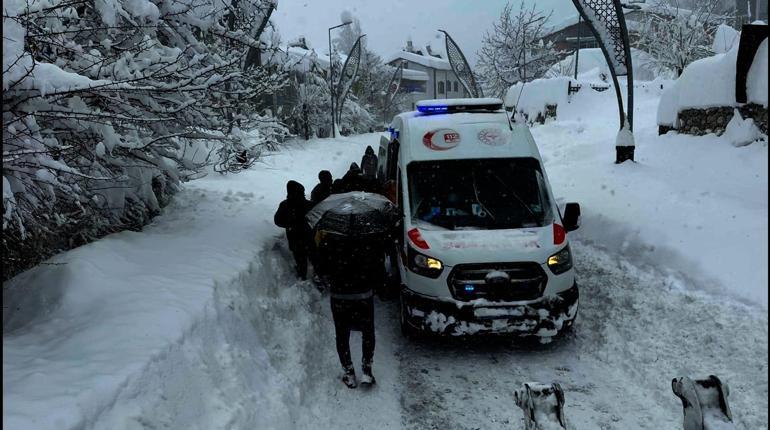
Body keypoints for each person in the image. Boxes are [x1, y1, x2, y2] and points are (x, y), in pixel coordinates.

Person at [316, 230, 388, 388]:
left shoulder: (329, 240)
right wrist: (377, 286)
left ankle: (349, 372)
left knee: (342, 334)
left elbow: (320, 268)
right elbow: (378, 267)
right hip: (363, 295)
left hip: (339, 296)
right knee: (367, 332)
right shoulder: (368, 239)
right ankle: (367, 371)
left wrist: (332, 277)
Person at [274, 181, 313, 280]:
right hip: (308, 236)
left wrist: (289, 225)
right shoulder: (308, 204)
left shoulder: (285, 205)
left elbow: (277, 221)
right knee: (312, 256)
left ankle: (302, 275)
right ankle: (316, 275)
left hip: (295, 238)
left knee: (300, 259)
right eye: (302, 192)